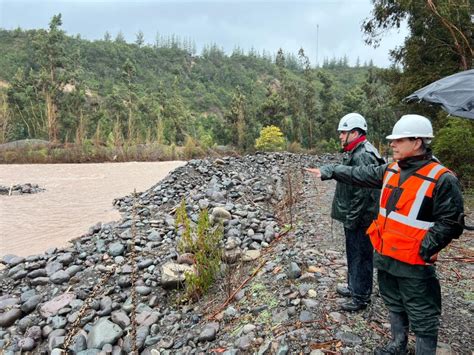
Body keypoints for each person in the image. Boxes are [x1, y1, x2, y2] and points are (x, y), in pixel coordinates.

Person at [306, 114, 464, 354]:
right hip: (387, 255)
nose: (392, 144)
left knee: (422, 313)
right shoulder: (391, 169)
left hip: (414, 262)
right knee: (393, 301)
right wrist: (330, 170)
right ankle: (397, 345)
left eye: (398, 140)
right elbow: (359, 174)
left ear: (417, 142)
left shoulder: (442, 178)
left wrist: (425, 247)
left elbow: (451, 222)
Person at [330, 113, 384, 312]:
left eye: (343, 132)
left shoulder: (363, 154)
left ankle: (361, 296)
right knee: (354, 253)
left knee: (361, 255)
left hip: (362, 218)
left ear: (355, 132)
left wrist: (351, 219)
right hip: (356, 216)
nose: (340, 136)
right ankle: (354, 287)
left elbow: (363, 193)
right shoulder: (355, 150)